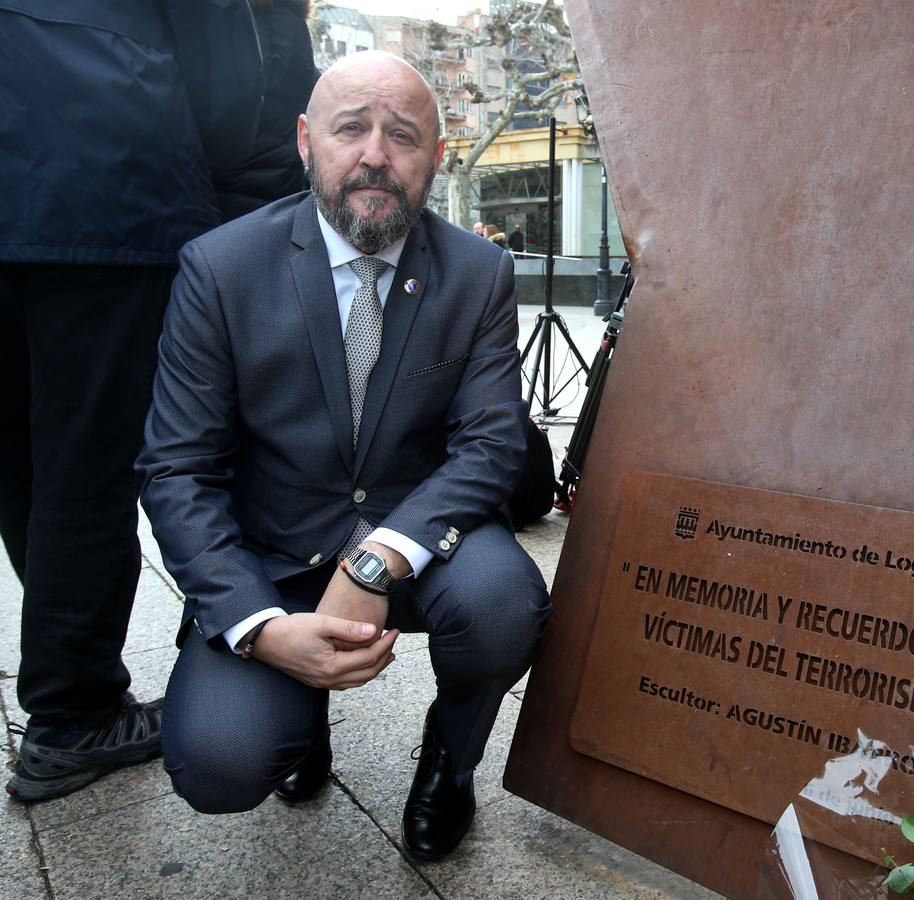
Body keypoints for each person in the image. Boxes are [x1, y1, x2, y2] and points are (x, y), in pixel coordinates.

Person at [137, 51, 551, 861]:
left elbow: (493, 444)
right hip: (275, 554)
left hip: (417, 540)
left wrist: (376, 561)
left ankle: (450, 762)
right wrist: (259, 627)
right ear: (305, 141)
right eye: (350, 128)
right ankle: (299, 722)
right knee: (220, 762)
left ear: (438, 154)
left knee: (506, 605)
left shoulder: (479, 272)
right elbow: (176, 470)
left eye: (402, 135)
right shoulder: (220, 269)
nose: (374, 154)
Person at [0, 0, 263, 802]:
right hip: (103, 177)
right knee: (89, 459)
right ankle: (72, 712)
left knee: (18, 454)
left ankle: (67, 674)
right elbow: (226, 80)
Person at [213, 0, 319, 221]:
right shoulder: (291, 23)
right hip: (277, 184)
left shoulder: (262, 21)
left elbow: (252, 83)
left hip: (237, 183)